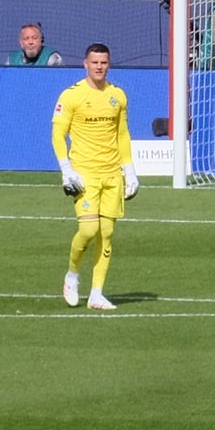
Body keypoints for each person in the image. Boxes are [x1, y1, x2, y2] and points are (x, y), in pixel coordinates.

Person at [51, 42, 137, 312]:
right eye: (94, 62)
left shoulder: (118, 96)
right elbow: (57, 134)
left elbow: (122, 134)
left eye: (104, 62)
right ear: (85, 64)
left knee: (107, 233)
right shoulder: (71, 96)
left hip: (112, 174)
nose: (99, 67)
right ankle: (72, 275)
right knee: (89, 230)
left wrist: (130, 170)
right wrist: (66, 169)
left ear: (108, 64)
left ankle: (97, 293)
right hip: (84, 174)